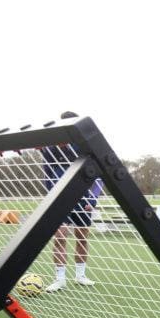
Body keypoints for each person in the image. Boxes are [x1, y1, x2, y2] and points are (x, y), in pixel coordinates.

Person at [43, 111, 102, 292]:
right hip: (60, 199)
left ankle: (80, 275)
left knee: (82, 237)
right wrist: (52, 197)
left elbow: (99, 175)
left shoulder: (86, 146)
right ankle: (60, 279)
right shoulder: (51, 149)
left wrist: (92, 199)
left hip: (83, 200)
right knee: (60, 236)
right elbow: (47, 176)